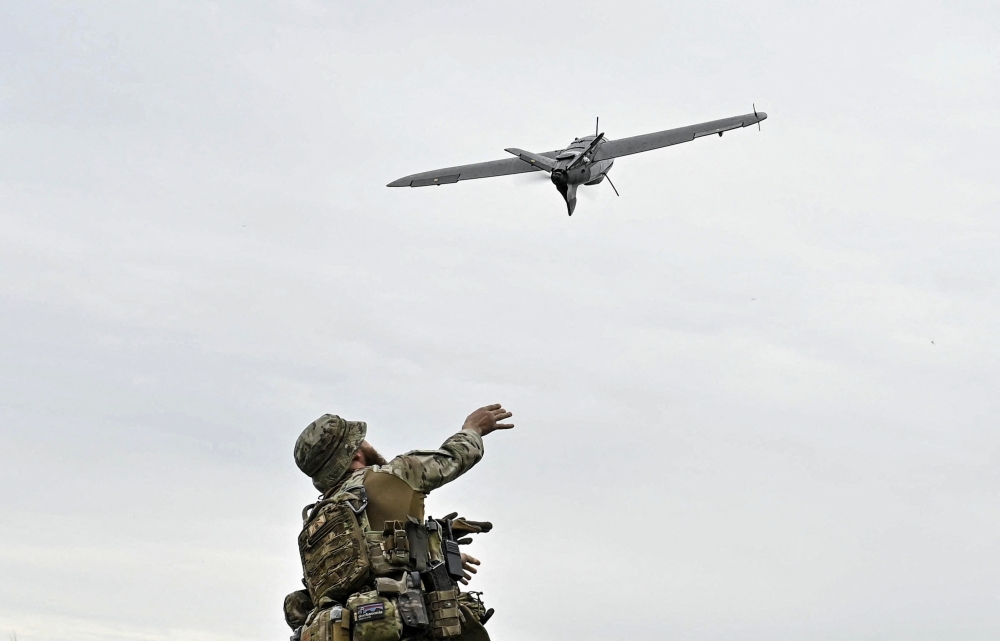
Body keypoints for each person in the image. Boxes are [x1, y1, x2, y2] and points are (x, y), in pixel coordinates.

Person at [285, 404, 514, 641]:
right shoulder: (395, 474)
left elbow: (365, 571)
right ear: (355, 452)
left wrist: (436, 549)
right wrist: (473, 428)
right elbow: (457, 456)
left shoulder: (316, 524)